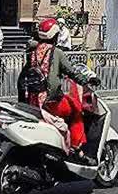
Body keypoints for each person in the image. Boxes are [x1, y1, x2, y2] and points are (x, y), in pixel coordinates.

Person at [17, 17, 96, 162]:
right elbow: (72, 72)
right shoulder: (56, 52)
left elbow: (23, 76)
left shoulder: (32, 52)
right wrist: (87, 80)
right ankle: (76, 148)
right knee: (76, 110)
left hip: (32, 100)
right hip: (51, 101)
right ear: (55, 35)